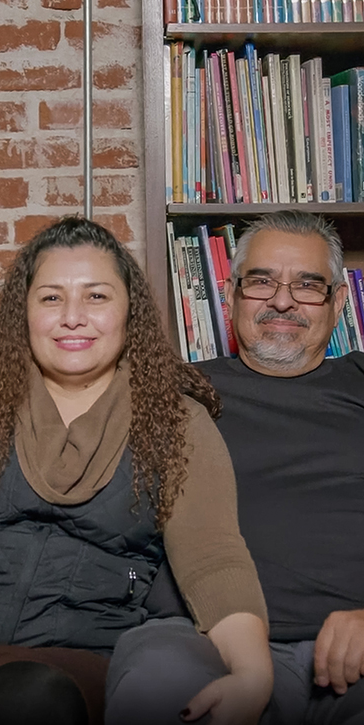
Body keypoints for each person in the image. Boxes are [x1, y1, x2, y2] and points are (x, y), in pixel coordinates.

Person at [0, 216, 272, 725]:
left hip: (70, 654)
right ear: (22, 313)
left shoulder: (176, 421)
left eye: (96, 296)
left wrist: (252, 676)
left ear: (128, 311)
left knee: (30, 702)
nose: (73, 316)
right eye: (50, 298)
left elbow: (214, 563)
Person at [105, 209, 364, 725]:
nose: (283, 300)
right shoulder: (170, 391)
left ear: (337, 303)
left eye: (308, 285)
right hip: (198, 637)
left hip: (354, 657)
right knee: (157, 689)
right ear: (229, 295)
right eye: (261, 281)